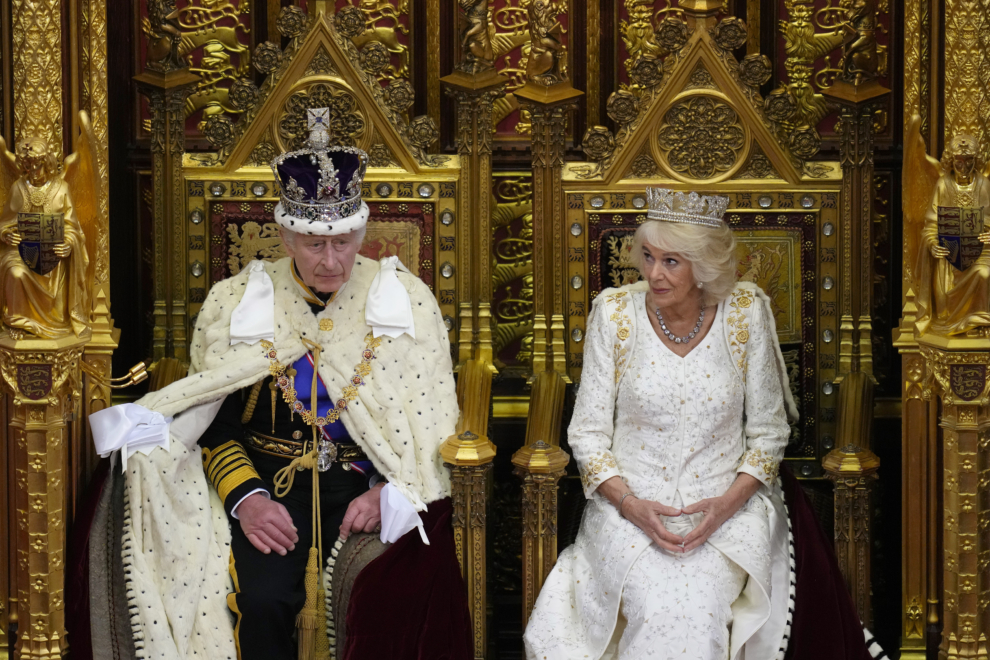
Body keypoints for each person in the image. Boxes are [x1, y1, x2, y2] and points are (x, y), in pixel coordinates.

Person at [89, 108, 471, 660]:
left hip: (365, 486)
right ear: (287, 236)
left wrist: (392, 489)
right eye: (316, 243)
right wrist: (247, 499)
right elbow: (209, 426)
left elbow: (427, 420)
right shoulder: (235, 301)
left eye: (344, 241)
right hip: (269, 483)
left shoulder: (406, 299)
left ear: (361, 231)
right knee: (262, 604)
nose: (332, 261)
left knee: (391, 593)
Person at [524, 188, 798, 660]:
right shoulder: (614, 314)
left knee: (698, 607)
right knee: (655, 602)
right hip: (628, 510)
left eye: (671, 261)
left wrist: (725, 507)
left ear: (704, 267)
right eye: (648, 257)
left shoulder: (745, 314)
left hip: (726, 513)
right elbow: (587, 435)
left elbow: (769, 434)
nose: (653, 273)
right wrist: (631, 506)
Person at [916, 132, 990, 335]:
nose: (963, 166)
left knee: (984, 273)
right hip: (949, 254)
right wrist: (933, 245)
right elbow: (931, 226)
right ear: (951, 161)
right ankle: (954, 321)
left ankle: (979, 322)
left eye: (969, 161)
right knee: (943, 282)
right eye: (959, 161)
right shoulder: (943, 185)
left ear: (976, 161)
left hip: (981, 251)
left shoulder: (983, 185)